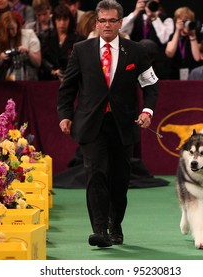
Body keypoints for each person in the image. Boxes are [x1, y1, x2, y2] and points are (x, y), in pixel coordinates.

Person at [57, 0, 158, 248]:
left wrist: (147, 111)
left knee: (120, 179)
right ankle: (99, 229)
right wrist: (65, 114)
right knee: (96, 174)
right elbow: (67, 87)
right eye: (102, 20)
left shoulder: (135, 51)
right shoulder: (81, 50)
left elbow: (151, 85)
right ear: (96, 23)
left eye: (112, 20)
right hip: (91, 124)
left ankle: (116, 224)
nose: (107, 25)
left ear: (120, 23)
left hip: (124, 124)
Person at [120, 0, 173, 79]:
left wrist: (155, 18)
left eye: (153, 2)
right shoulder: (136, 17)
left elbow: (164, 39)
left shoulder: (166, 19)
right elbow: (120, 29)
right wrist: (136, 11)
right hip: (136, 60)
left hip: (158, 63)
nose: (150, 5)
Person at [0, 11, 41, 80]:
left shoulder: (29, 34)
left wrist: (28, 51)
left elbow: (38, 63)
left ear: (17, 25)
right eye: (8, 30)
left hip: (28, 78)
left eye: (13, 28)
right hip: (6, 79)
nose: (11, 32)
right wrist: (1, 58)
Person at [43, 4, 82, 81]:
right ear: (54, 20)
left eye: (65, 19)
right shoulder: (46, 37)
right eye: (59, 19)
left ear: (69, 20)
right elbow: (42, 58)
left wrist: (64, 72)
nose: (62, 23)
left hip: (70, 79)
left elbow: (78, 61)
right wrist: (52, 70)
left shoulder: (78, 39)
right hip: (49, 78)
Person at [165, 6, 202, 80]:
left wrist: (192, 36)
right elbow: (170, 53)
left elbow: (197, 58)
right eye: (183, 21)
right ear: (176, 21)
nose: (185, 24)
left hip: (193, 73)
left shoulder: (197, 35)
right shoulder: (173, 36)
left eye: (187, 21)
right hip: (175, 73)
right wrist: (177, 31)